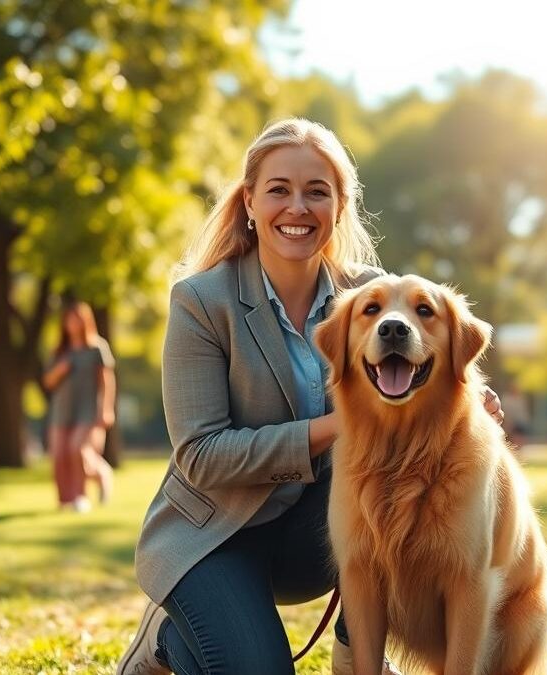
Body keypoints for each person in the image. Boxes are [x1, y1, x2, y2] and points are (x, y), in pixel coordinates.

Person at [116, 118, 503, 675]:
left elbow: (432, 370)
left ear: (339, 207)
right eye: (279, 190)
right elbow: (200, 457)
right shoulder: (202, 301)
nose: (297, 207)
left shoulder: (372, 294)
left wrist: (473, 409)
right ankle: (165, 640)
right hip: (213, 537)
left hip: (318, 537)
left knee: (405, 476)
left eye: (316, 192)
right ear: (250, 201)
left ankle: (357, 654)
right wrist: (339, 427)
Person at [42, 301, 117, 512]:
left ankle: (81, 495)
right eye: (68, 319)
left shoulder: (97, 348)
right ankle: (64, 501)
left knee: (77, 449)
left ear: (85, 321)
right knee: (59, 454)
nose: (72, 323)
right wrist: (60, 370)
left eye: (76, 319)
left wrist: (106, 408)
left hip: (87, 410)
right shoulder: (59, 351)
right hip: (61, 410)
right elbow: (47, 382)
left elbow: (107, 381)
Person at [501, 381, 532, 450]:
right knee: (512, 437)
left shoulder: (521, 399)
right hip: (510, 422)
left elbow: (523, 411)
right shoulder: (507, 399)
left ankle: (519, 450)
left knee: (520, 437)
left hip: (520, 421)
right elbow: (506, 410)